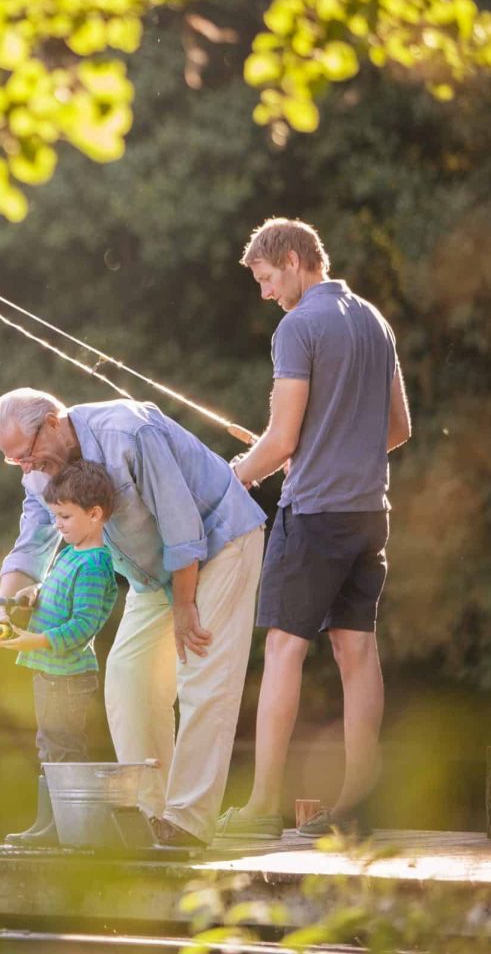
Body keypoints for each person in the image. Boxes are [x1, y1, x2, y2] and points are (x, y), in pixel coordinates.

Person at [0, 387, 266, 848]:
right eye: (15, 462)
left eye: (27, 454)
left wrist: (185, 604)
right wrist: (1, 605)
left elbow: (181, 524)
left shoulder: (128, 432)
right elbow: (33, 535)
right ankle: (150, 814)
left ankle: (188, 821)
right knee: (128, 675)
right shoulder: (39, 471)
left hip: (218, 541)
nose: (27, 467)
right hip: (151, 571)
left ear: (53, 421)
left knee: (202, 672)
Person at [216, 217, 412, 841]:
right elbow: (398, 428)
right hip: (369, 514)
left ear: (297, 260)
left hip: (315, 515)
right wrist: (333, 450)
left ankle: (262, 806)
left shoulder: (298, 327)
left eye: (268, 279)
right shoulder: (374, 321)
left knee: (283, 649)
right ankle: (357, 805)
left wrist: (234, 478)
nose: (266, 293)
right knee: (357, 650)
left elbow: (280, 440)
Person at [0, 460, 119, 846]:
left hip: (68, 678)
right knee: (49, 746)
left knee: (65, 749)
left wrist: (36, 640)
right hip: (49, 673)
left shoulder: (95, 564)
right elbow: (54, 594)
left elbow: (83, 626)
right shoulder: (69, 552)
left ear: (95, 514)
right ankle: (48, 825)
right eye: (55, 516)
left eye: (65, 516)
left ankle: (69, 830)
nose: (59, 525)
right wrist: (33, 594)